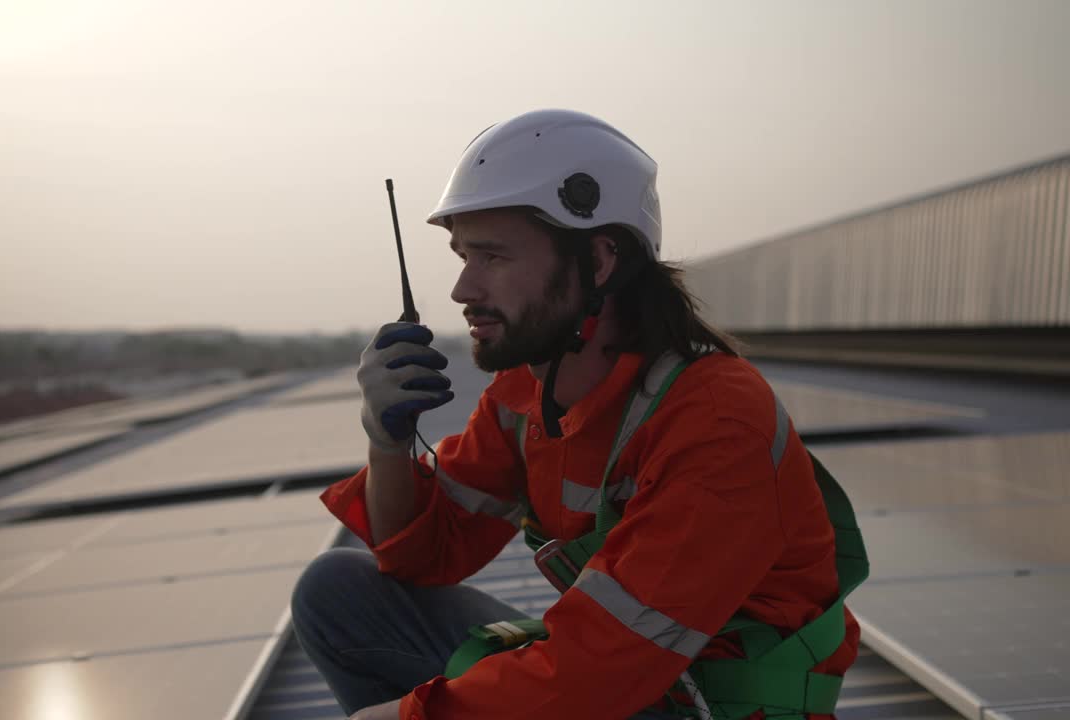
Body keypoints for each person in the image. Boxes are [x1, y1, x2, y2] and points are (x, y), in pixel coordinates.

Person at [291, 109, 864, 720]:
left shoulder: (718, 422)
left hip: (702, 702)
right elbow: (423, 558)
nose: (463, 289)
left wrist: (407, 717)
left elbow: (604, 670)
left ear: (599, 261)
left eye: (492, 258)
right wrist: (385, 442)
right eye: (462, 255)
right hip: (632, 681)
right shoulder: (525, 397)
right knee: (337, 592)